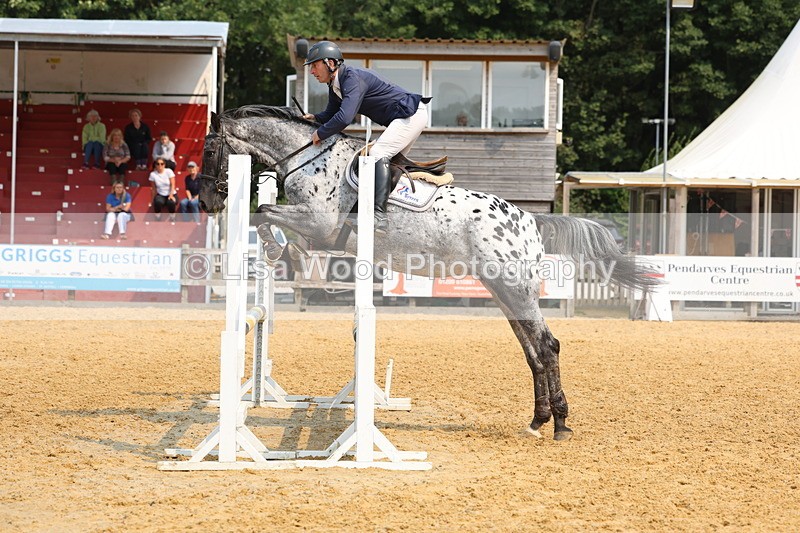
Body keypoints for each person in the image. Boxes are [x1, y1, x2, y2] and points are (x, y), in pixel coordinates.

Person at [302, 40, 430, 234]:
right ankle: (368, 214)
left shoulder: (352, 79)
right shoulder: (335, 85)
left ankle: (379, 218)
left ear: (329, 62)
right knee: (388, 165)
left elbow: (345, 117)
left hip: (411, 115)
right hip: (405, 118)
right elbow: (331, 113)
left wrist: (319, 133)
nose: (312, 71)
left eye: (314, 65)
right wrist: (316, 118)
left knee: (377, 153)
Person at [149, 157, 177, 221]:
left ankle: (172, 217)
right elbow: (153, 188)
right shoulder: (153, 174)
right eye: (158, 164)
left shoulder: (169, 171)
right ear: (155, 165)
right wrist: (152, 199)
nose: (160, 165)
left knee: (171, 202)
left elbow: (173, 184)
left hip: (171, 193)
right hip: (161, 194)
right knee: (157, 202)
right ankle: (158, 217)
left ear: (164, 165)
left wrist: (171, 194)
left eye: (162, 164)